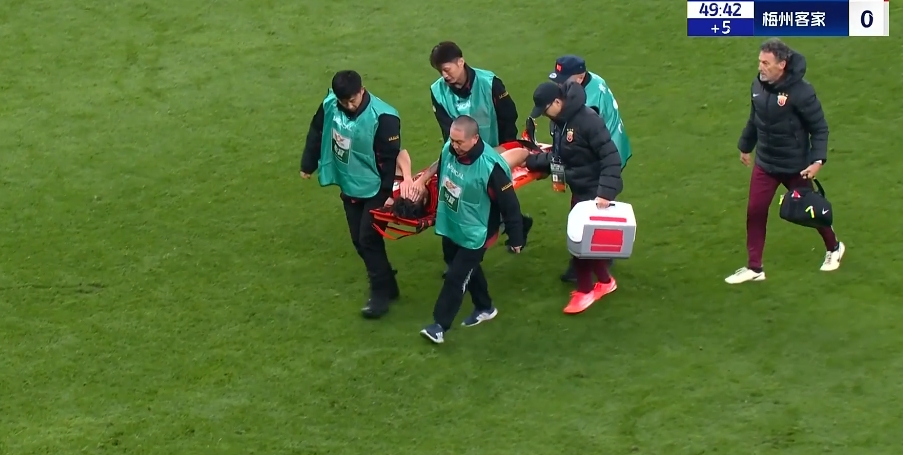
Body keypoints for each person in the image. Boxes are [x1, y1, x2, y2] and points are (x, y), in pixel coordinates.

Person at [725, 38, 844, 284]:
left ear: (782, 65)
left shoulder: (802, 92)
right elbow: (755, 118)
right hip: (766, 163)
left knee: (811, 212)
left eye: (766, 63)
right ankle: (755, 268)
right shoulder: (758, 85)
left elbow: (819, 128)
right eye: (760, 61)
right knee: (755, 211)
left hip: (795, 166)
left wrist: (817, 161)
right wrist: (745, 146)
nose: (760, 67)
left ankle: (834, 248)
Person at [300, 70, 410, 318]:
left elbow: (388, 159)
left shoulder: (384, 118)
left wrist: (387, 194)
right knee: (359, 241)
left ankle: (379, 295)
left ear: (362, 90)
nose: (349, 105)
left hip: (376, 188)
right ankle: (389, 285)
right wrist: (308, 163)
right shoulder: (330, 104)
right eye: (344, 101)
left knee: (368, 239)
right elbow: (318, 130)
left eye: (353, 100)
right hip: (350, 184)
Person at [418, 116, 526, 344]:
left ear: (475, 138)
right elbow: (442, 173)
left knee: (456, 276)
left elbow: (509, 204)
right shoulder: (449, 149)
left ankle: (439, 326)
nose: (454, 146)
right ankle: (485, 307)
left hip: (477, 232)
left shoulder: (492, 167)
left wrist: (516, 237)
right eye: (452, 140)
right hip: (452, 222)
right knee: (457, 263)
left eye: (459, 142)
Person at [524, 81, 623, 314]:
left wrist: (605, 193)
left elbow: (611, 157)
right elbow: (561, 157)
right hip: (580, 187)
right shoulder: (560, 122)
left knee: (581, 241)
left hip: (594, 191)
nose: (545, 115)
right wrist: (533, 161)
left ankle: (585, 291)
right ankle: (605, 282)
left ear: (558, 102)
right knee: (585, 241)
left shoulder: (588, 121)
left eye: (545, 109)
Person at [544, 55, 633, 283]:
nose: (559, 84)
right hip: (607, 150)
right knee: (591, 210)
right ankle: (594, 261)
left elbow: (584, 143)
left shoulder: (586, 104)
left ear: (580, 77)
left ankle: (592, 265)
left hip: (602, 159)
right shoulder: (592, 82)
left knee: (591, 210)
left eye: (564, 79)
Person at [428, 41, 520, 147]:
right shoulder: (437, 91)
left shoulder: (489, 83)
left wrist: (506, 148)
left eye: (447, 70)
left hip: (497, 150)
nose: (444, 75)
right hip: (462, 153)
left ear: (461, 62)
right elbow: (447, 129)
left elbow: (508, 117)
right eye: (440, 71)